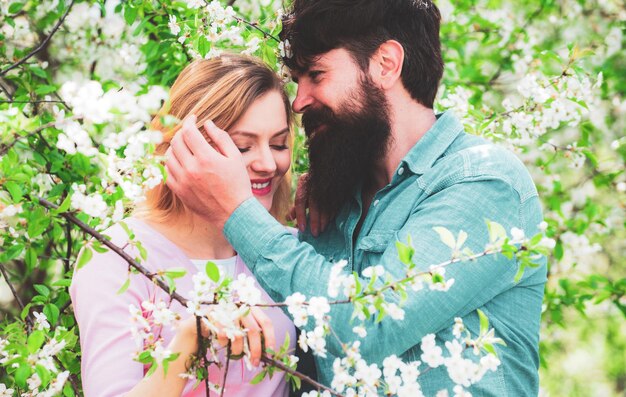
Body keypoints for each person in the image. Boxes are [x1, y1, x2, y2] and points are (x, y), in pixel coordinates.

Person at [165, 0, 547, 395]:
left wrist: (236, 211)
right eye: (298, 81)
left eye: (316, 74)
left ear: (386, 64)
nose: (299, 101)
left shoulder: (484, 182)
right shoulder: (333, 199)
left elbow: (368, 327)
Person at [70, 54, 297, 397]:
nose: (268, 163)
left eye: (279, 144)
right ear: (186, 148)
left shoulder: (287, 249)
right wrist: (191, 340)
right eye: (242, 147)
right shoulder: (119, 254)